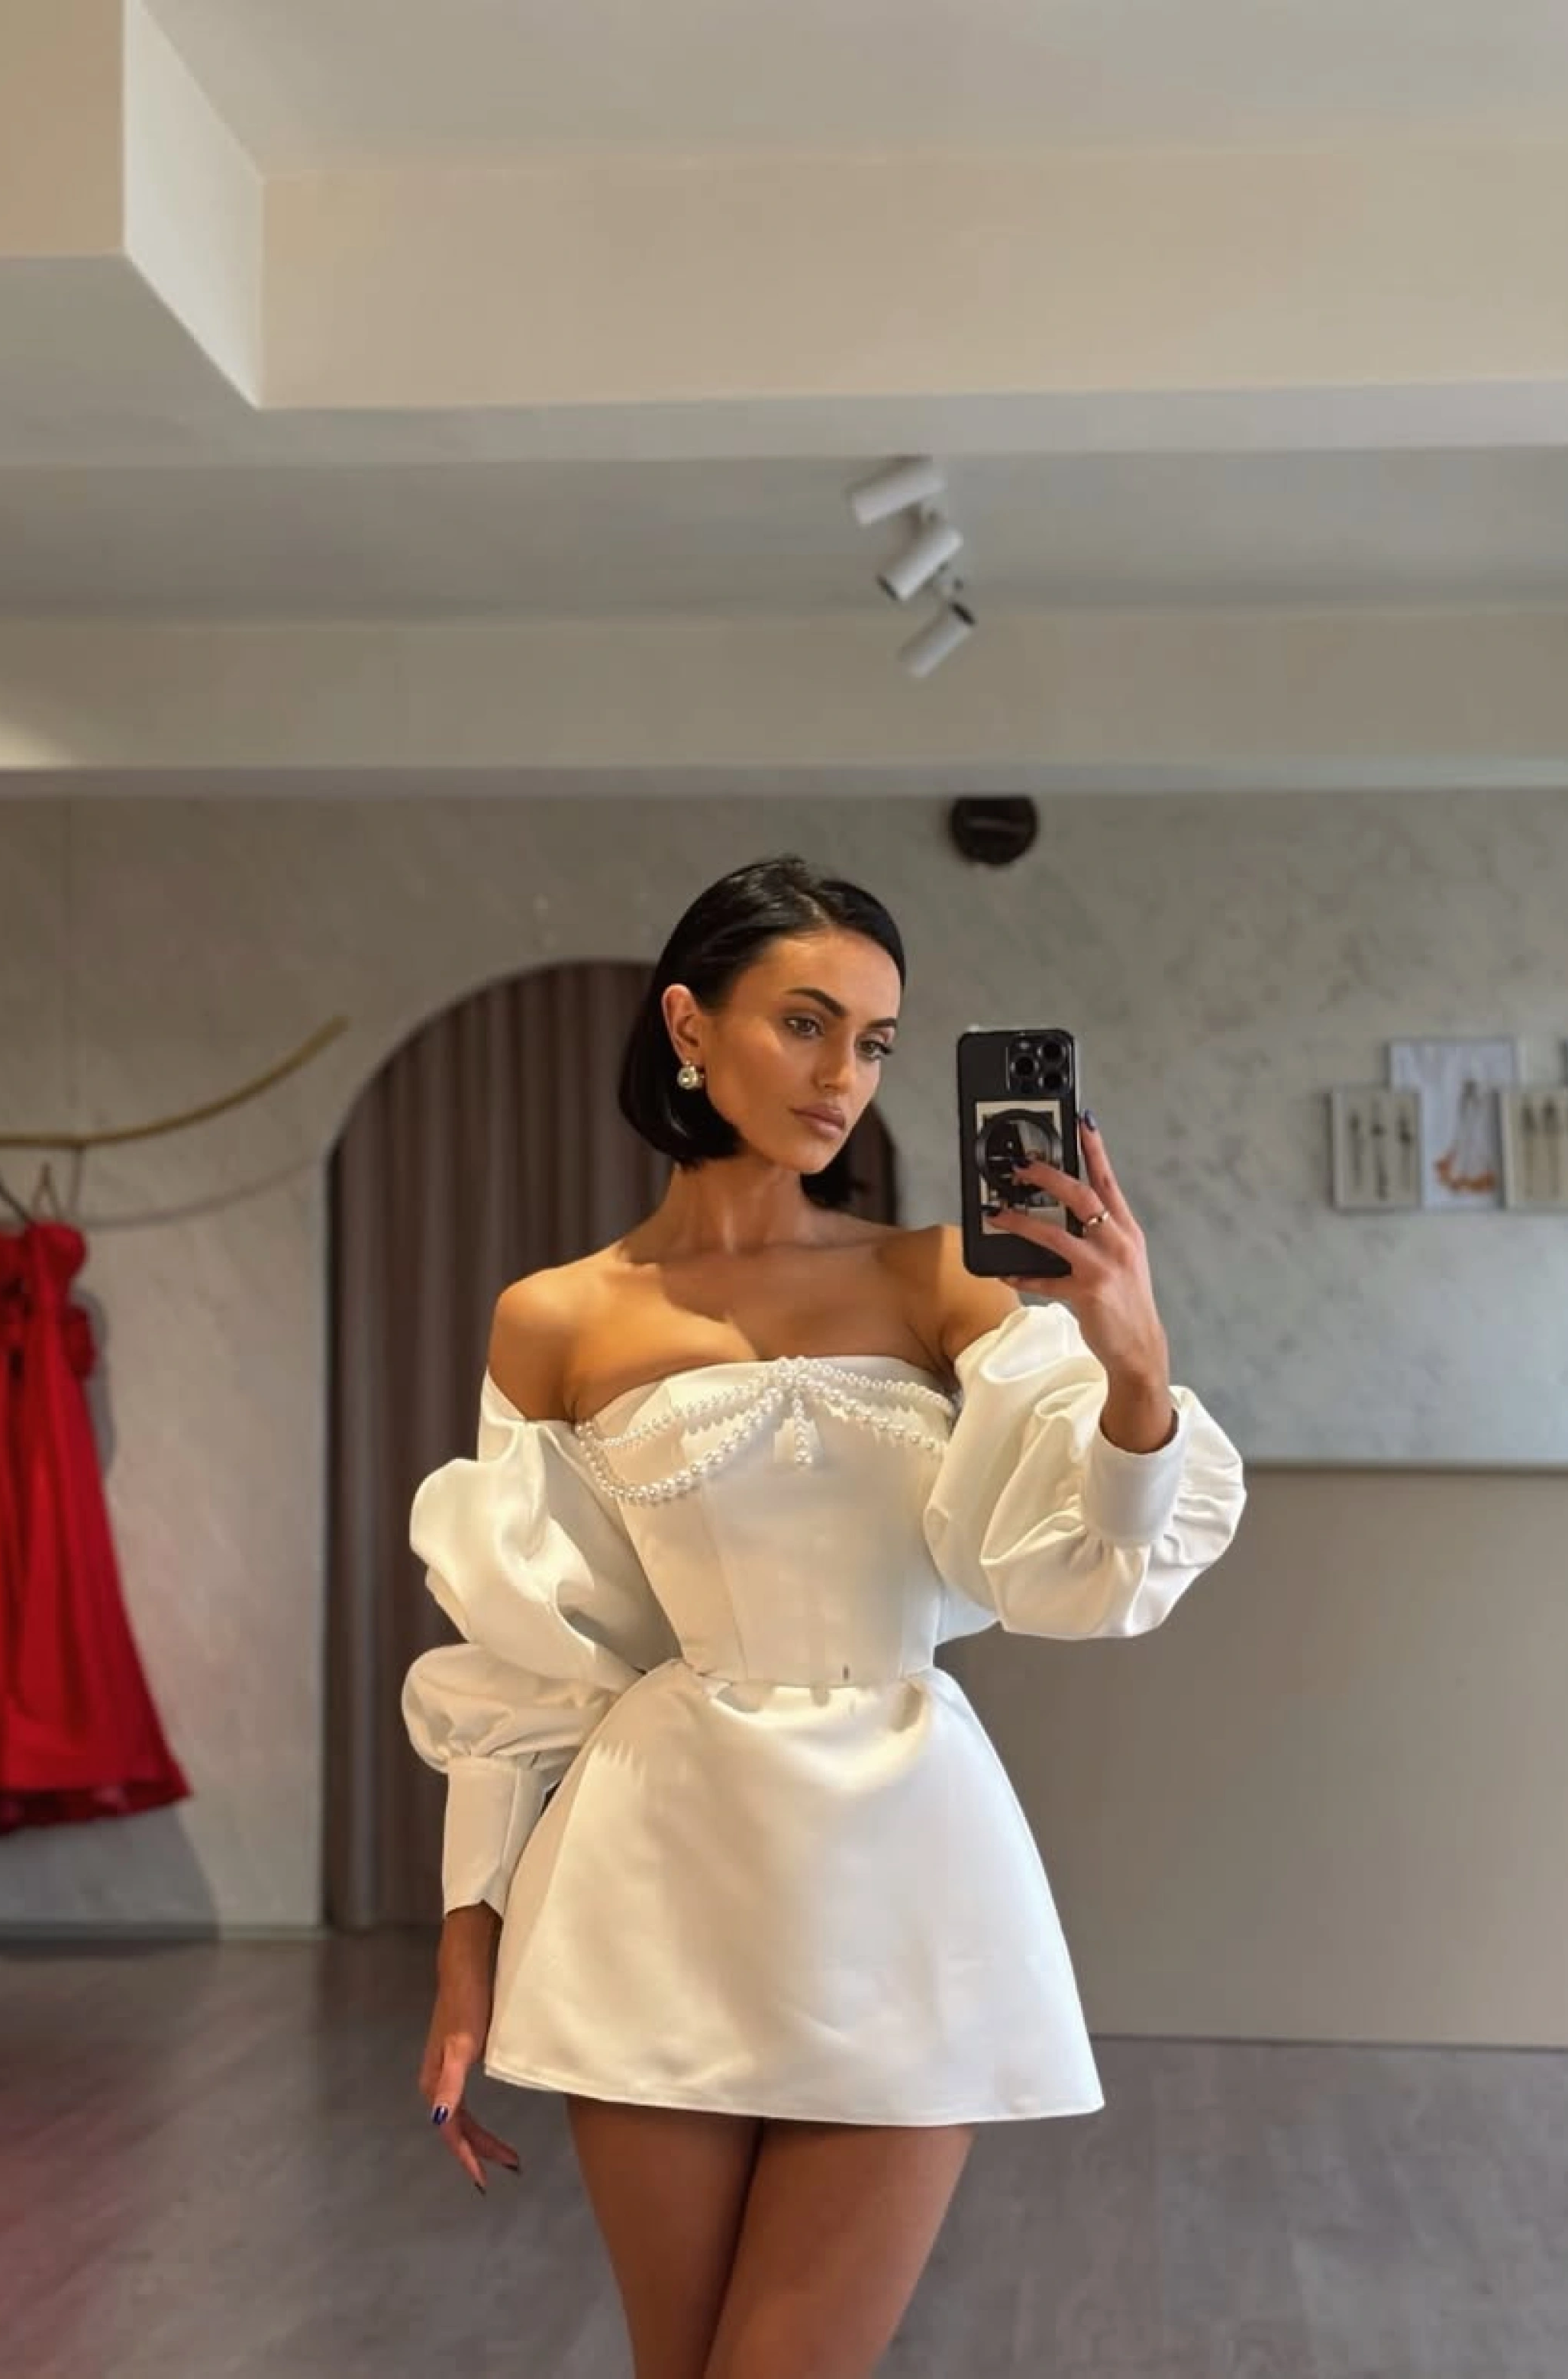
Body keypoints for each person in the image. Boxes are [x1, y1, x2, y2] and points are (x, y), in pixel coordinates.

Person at [402, 854, 1247, 2379]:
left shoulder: (942, 1278)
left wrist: (1132, 1366)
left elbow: (1084, 1569)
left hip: (905, 1866)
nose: (842, 1075)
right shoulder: (556, 1316)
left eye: (873, 1042)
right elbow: (528, 1661)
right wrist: (470, 1943)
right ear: (688, 1023)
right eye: (804, 1023)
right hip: (655, 1869)